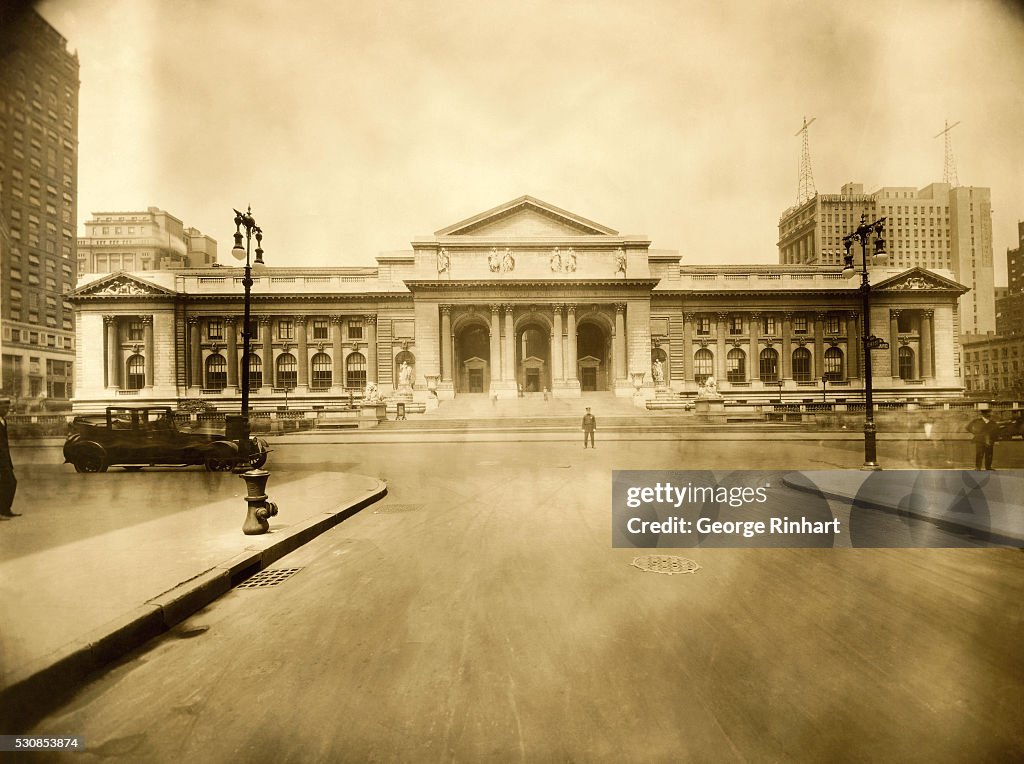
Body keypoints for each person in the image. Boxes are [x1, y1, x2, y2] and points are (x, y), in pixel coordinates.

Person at [0, 397, 20, 519]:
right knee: (5, 483)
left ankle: (6, 509)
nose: (6, 410)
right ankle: (1, 511)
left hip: (5, 459)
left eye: (7, 408)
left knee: (11, 482)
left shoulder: (3, 421)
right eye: (3, 408)